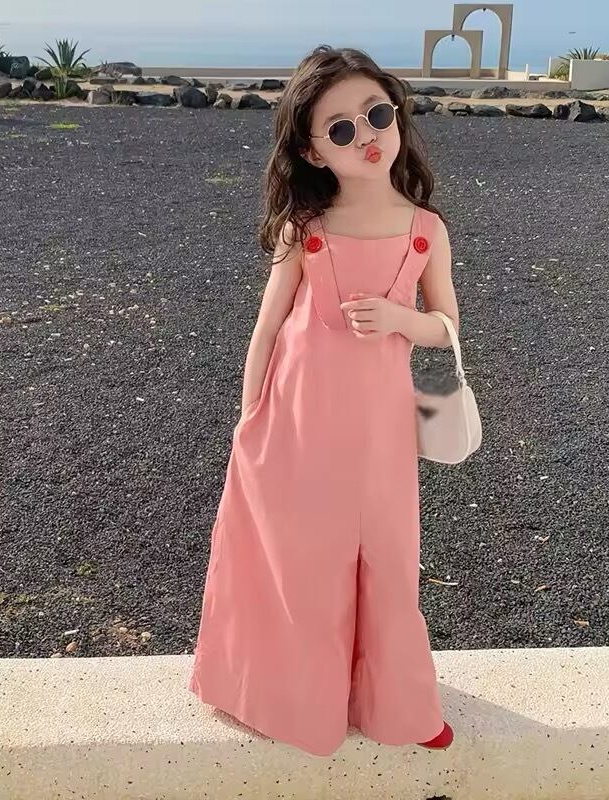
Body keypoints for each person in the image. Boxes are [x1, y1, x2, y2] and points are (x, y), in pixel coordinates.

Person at [189, 44, 460, 758]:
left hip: (379, 430)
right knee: (299, 561)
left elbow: (446, 327)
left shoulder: (426, 230)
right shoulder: (304, 230)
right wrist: (249, 420)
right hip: (295, 422)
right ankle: (284, 697)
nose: (366, 135)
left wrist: (401, 319)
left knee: (390, 560)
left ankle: (401, 705)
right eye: (341, 129)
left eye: (376, 114)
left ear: (398, 114)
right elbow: (267, 328)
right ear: (312, 152)